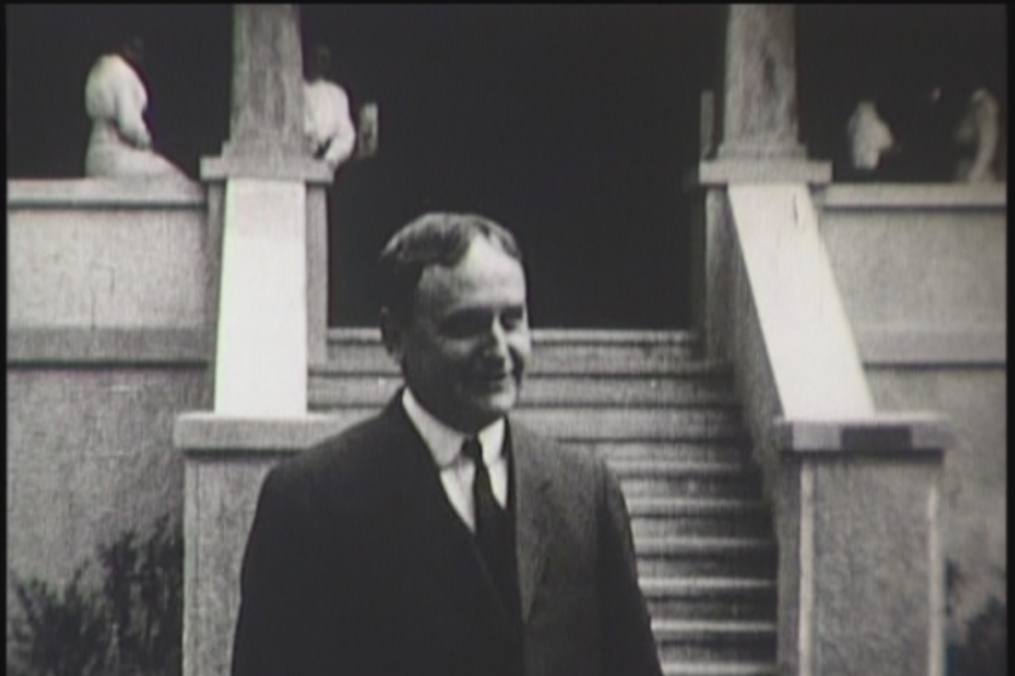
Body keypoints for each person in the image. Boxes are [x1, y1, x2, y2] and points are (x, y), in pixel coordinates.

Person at [231, 213, 663, 676]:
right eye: (467, 326)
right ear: (394, 338)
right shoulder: (311, 502)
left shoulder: (585, 492)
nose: (498, 347)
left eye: (512, 320)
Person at [83, 35, 188, 179]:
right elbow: (130, 124)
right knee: (172, 176)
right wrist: (147, 143)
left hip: (94, 155)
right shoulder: (121, 71)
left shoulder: (99, 69)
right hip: (115, 154)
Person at [303, 42, 357, 171]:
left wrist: (330, 159)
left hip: (323, 163)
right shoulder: (294, 88)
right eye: (315, 58)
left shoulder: (337, 94)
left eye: (324, 60)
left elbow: (346, 135)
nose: (319, 63)